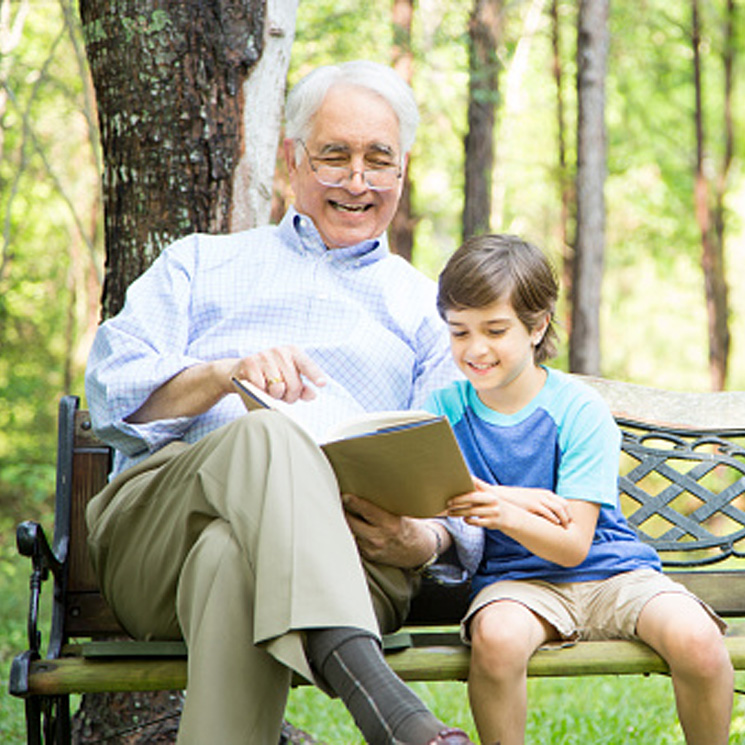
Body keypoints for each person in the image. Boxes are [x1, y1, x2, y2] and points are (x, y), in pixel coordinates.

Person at [84, 60, 474, 745]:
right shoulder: (200, 262)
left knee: (229, 557)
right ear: (293, 159)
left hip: (354, 558)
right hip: (157, 539)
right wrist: (226, 374)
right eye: (334, 156)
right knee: (264, 435)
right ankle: (379, 698)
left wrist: (426, 539)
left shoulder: (428, 310)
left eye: (378, 160)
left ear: (401, 172)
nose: (357, 181)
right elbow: (114, 394)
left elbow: (463, 472)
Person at [420, 234, 734, 745]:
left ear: (537, 324)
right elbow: (432, 496)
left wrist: (501, 506)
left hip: (613, 572)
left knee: (697, 639)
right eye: (459, 332)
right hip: (517, 584)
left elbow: (572, 544)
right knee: (495, 640)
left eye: (495, 330)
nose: (475, 349)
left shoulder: (578, 410)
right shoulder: (443, 410)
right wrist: (524, 501)